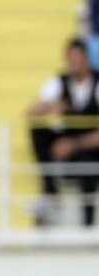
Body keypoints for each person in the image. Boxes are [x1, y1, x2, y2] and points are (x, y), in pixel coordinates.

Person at [28, 38, 99, 227]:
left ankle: (88, 223)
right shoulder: (60, 82)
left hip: (90, 150)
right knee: (39, 130)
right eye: (70, 58)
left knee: (87, 164)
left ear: (86, 58)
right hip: (66, 148)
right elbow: (30, 113)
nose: (73, 62)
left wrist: (75, 144)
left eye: (77, 57)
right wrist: (52, 106)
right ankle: (51, 192)